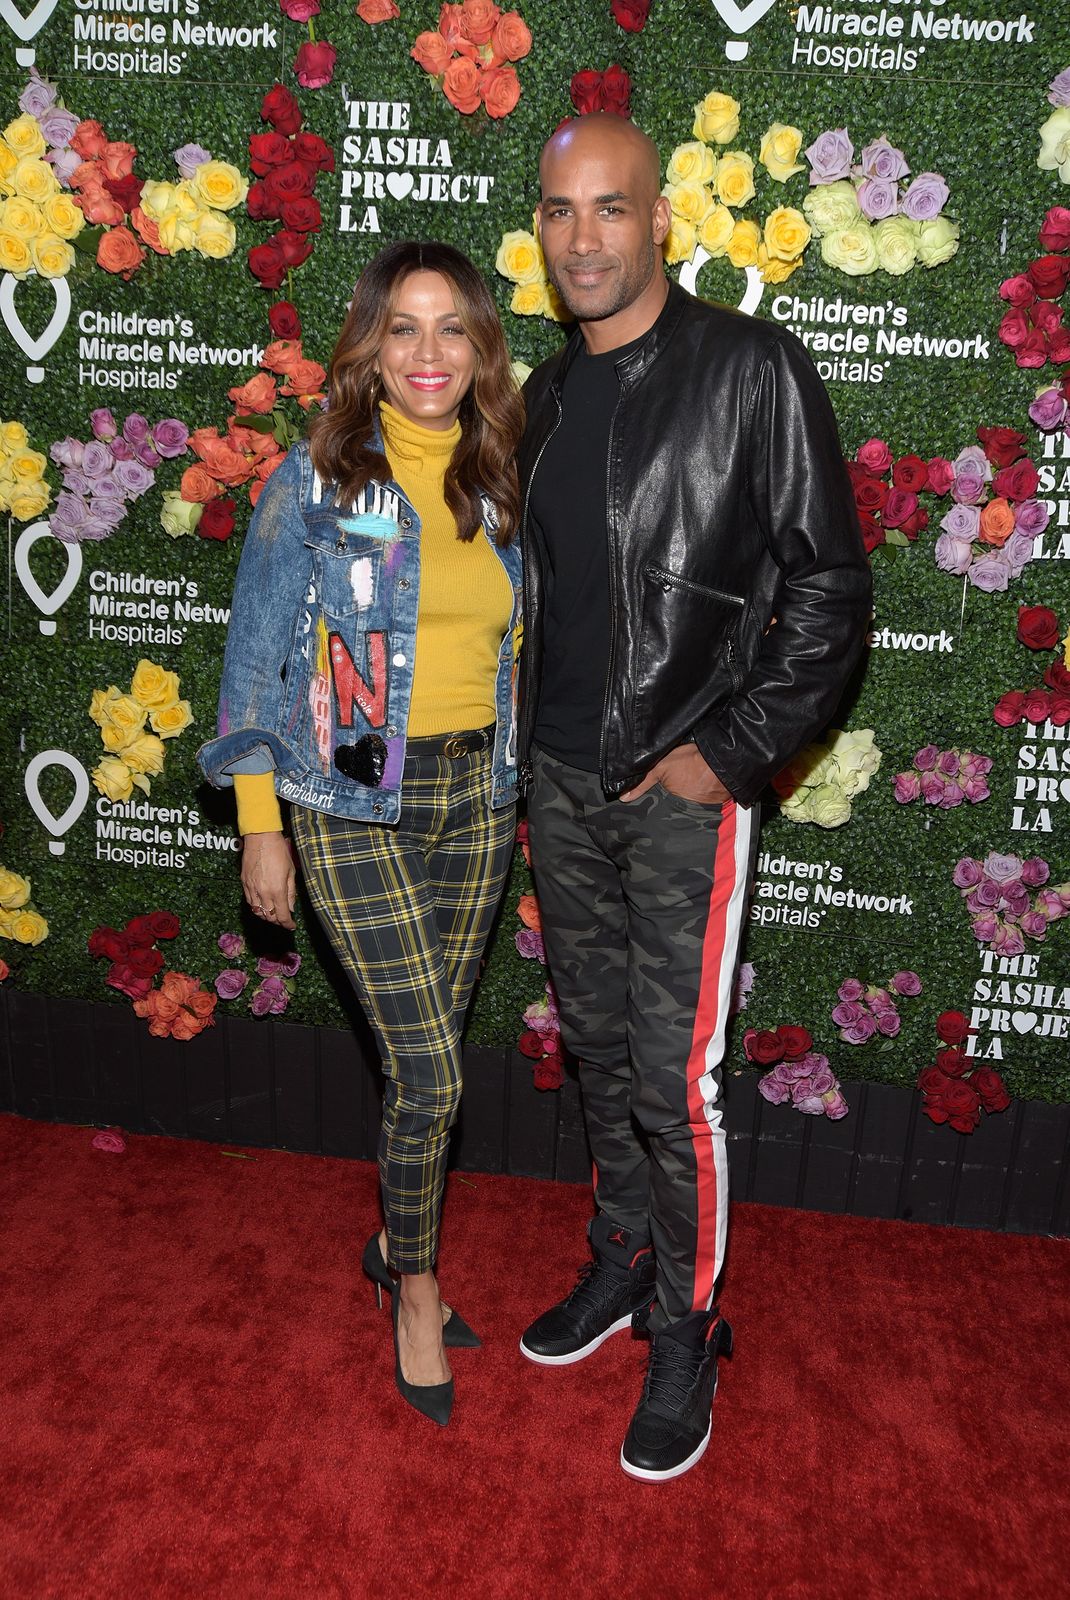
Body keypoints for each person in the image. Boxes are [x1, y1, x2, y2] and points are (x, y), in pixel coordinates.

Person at [515, 114, 871, 1481]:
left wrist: (727, 753)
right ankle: (618, 1260)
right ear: (537, 227)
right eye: (558, 211)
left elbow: (829, 585)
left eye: (610, 209)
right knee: (599, 1053)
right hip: (556, 778)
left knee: (674, 1081)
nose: (584, 238)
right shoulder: (541, 399)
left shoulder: (749, 369)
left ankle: (684, 1324)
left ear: (659, 219)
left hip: (679, 788)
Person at [197, 240, 525, 1427]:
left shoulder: (501, 478)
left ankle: (396, 1237)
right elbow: (254, 661)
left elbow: (518, 642)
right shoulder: (318, 481)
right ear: (368, 348)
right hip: (345, 795)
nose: (428, 352)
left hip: (480, 799)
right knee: (435, 1068)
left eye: (451, 329)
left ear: (482, 347)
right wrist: (258, 825)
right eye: (402, 327)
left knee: (414, 1069)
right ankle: (416, 1288)